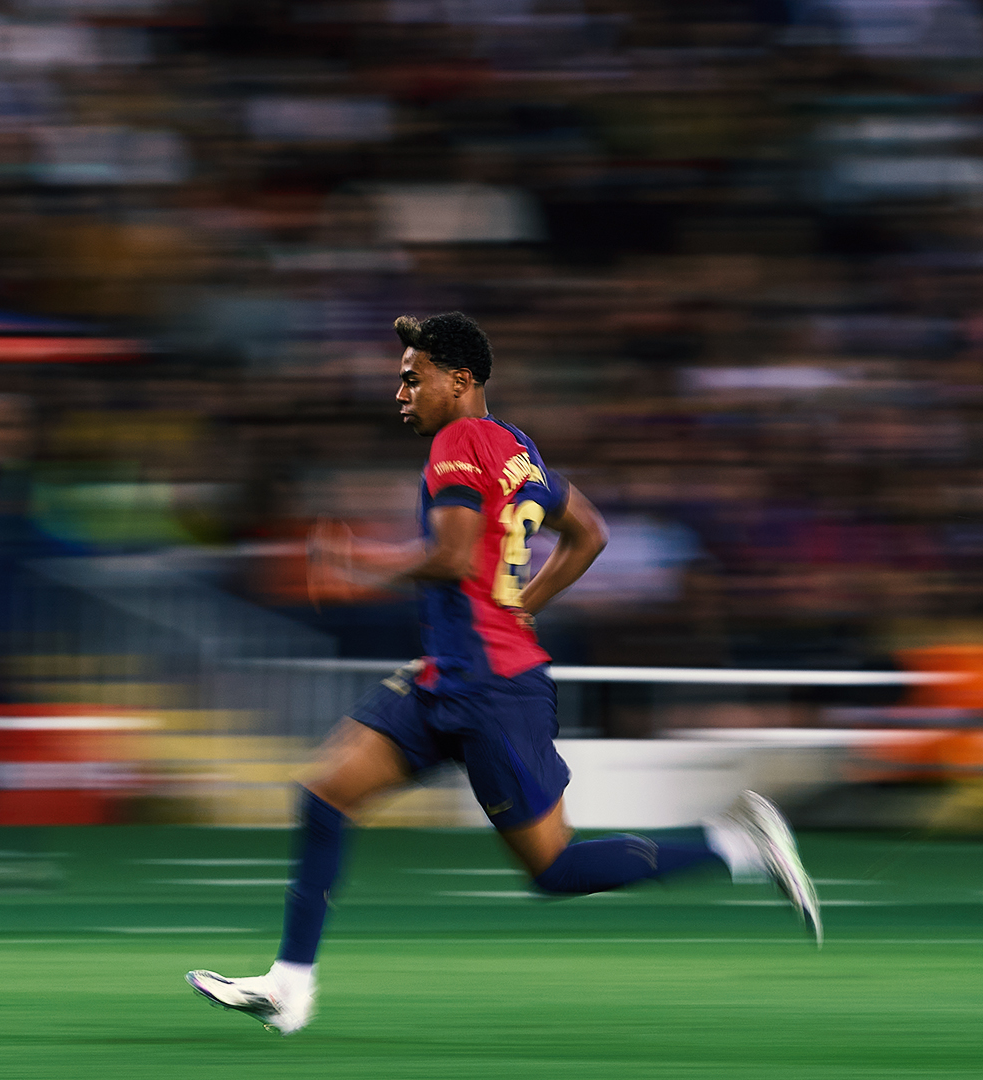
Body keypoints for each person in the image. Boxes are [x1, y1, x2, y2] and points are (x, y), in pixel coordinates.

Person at [186, 312, 820, 1036]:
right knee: (324, 796)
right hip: (448, 678)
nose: (400, 392)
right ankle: (289, 985)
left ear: (459, 381)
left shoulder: (457, 443)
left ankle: (737, 845)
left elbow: (453, 558)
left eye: (411, 377)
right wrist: (524, 602)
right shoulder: (516, 446)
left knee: (553, 868)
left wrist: (360, 561)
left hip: (491, 693)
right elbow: (590, 530)